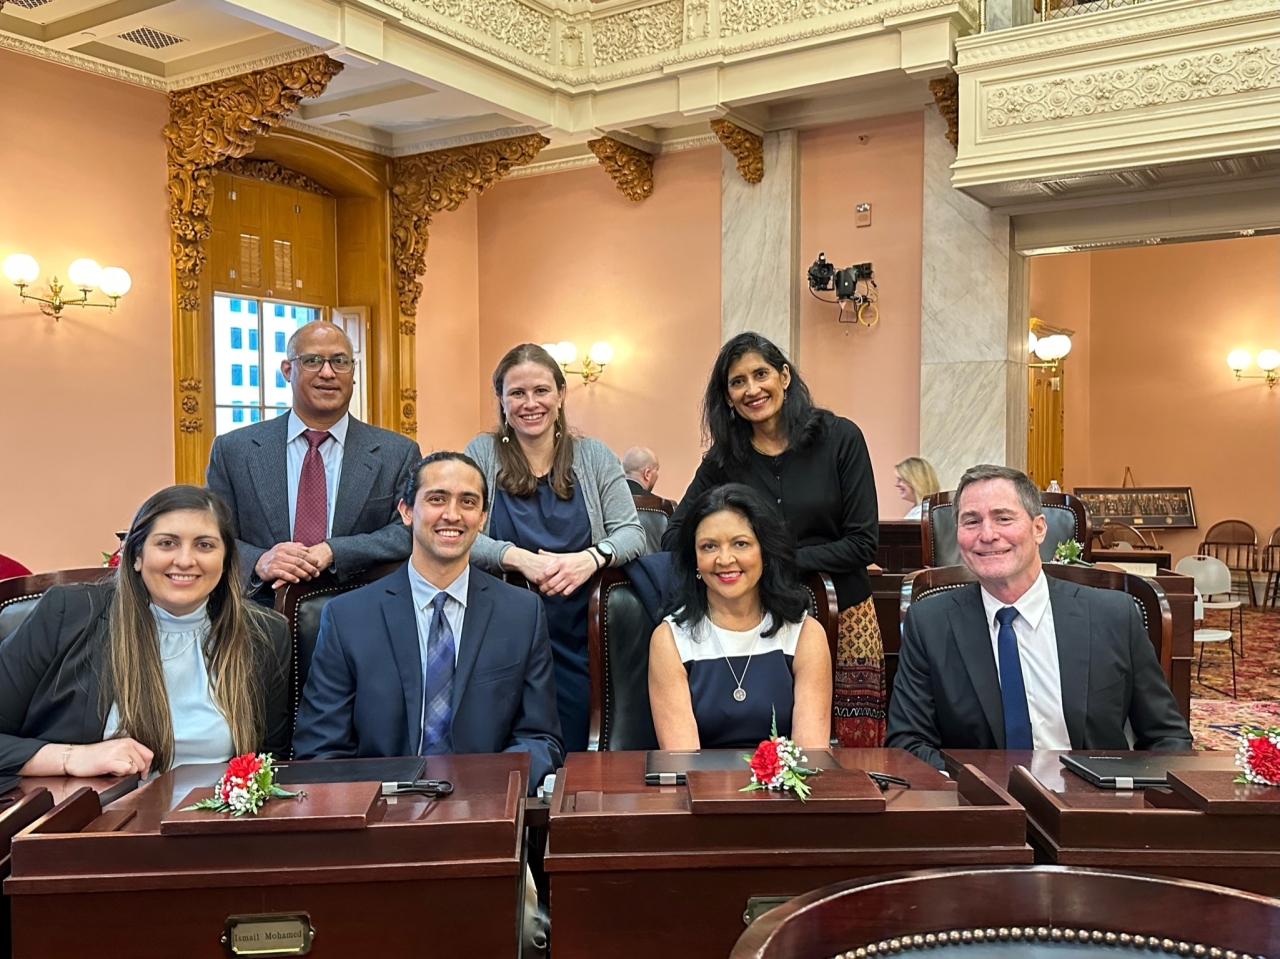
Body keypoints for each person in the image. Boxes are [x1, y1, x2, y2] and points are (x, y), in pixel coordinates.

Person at [886, 464, 1192, 770]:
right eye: (971, 521)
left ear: (1039, 528)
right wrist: (974, 787)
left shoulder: (1113, 616)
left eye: (1004, 518)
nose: (987, 534)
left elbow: (1167, 738)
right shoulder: (930, 623)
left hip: (1090, 806)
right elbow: (907, 744)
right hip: (979, 806)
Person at [292, 451, 564, 789]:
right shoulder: (348, 617)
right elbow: (319, 750)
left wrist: (480, 792)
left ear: (482, 518)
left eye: (467, 502)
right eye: (437, 499)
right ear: (406, 511)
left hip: (484, 813)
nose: (452, 515)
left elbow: (540, 739)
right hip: (380, 819)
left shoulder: (522, 613)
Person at [663, 332, 882, 747]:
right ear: (727, 397)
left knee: (853, 752)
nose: (752, 390)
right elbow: (676, 534)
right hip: (757, 621)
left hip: (844, 610)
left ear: (784, 376)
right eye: (737, 382)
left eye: (761, 374)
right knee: (763, 732)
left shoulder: (840, 438)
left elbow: (863, 543)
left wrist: (773, 557)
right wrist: (724, 554)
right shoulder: (724, 459)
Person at [0, 486, 290, 778]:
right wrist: (71, 757)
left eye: (204, 545)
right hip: (94, 818)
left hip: (214, 820)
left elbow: (271, 764)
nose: (185, 560)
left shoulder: (265, 634)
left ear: (226, 561)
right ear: (136, 555)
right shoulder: (67, 614)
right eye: (167, 543)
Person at [465, 344, 645, 752]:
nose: (531, 404)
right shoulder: (480, 453)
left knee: (578, 747)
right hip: (501, 628)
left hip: (582, 628)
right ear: (501, 399)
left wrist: (590, 559)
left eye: (542, 391)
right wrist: (517, 558)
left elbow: (633, 534)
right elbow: (460, 534)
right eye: (517, 393)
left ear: (561, 394)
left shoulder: (594, 456)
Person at [206, 320, 420, 599]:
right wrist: (260, 561)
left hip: (361, 608)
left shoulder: (398, 453)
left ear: (353, 372)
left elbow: (408, 532)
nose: (328, 373)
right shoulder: (233, 450)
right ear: (287, 370)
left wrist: (334, 551)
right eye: (312, 361)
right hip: (257, 614)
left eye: (340, 361)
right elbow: (211, 534)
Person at [650, 484, 831, 750]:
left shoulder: (805, 634)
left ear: (765, 552)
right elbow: (683, 763)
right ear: (695, 560)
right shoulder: (670, 640)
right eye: (709, 546)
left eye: (741, 544)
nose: (724, 559)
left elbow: (810, 760)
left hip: (786, 789)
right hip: (698, 790)